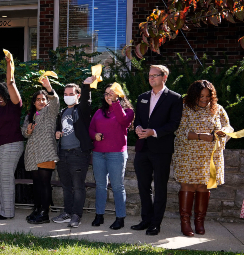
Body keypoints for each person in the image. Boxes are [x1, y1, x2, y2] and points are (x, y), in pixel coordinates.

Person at [173, 80, 232, 237]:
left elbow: (228, 127)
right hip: (188, 156)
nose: (204, 99)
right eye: (201, 96)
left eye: (208, 96)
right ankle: (185, 223)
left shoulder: (218, 109)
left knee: (203, 187)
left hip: (209, 158)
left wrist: (223, 132)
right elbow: (179, 131)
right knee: (188, 186)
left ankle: (199, 222)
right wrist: (201, 136)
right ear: (194, 95)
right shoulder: (185, 109)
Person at [131, 65, 183, 236]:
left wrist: (153, 132)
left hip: (161, 149)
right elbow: (138, 119)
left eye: (155, 75)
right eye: (150, 75)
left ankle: (155, 223)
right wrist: (138, 128)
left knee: (160, 187)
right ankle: (145, 219)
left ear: (164, 77)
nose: (151, 78)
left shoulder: (174, 98)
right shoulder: (142, 97)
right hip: (143, 149)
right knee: (143, 186)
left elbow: (174, 124)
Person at [88, 83, 135, 230]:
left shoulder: (128, 111)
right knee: (100, 185)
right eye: (107, 94)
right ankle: (99, 215)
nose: (109, 96)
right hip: (98, 153)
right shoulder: (99, 112)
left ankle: (120, 217)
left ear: (119, 95)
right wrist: (94, 135)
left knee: (117, 186)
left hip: (116, 154)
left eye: (112, 93)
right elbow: (90, 128)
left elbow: (123, 121)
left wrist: (115, 103)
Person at [51, 77, 95, 228]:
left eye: (71, 93)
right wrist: (57, 132)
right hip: (63, 154)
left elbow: (86, 103)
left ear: (78, 95)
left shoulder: (81, 110)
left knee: (78, 186)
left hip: (78, 154)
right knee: (66, 186)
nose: (68, 95)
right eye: (65, 93)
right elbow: (59, 128)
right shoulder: (63, 111)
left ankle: (76, 215)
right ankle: (67, 213)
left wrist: (86, 85)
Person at [0, 54, 24, 220]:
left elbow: (10, 82)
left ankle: (8, 213)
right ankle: (3, 209)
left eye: (1, 96)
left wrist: (9, 64)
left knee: (6, 177)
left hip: (12, 145)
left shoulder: (15, 106)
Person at [23, 75, 59, 224]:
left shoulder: (50, 112)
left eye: (43, 99)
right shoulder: (29, 116)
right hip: (32, 156)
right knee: (36, 184)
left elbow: (55, 101)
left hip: (46, 154)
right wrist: (28, 131)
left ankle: (44, 214)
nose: (41, 101)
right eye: (38, 99)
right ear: (34, 102)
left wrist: (48, 88)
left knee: (44, 184)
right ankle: (37, 209)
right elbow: (23, 132)